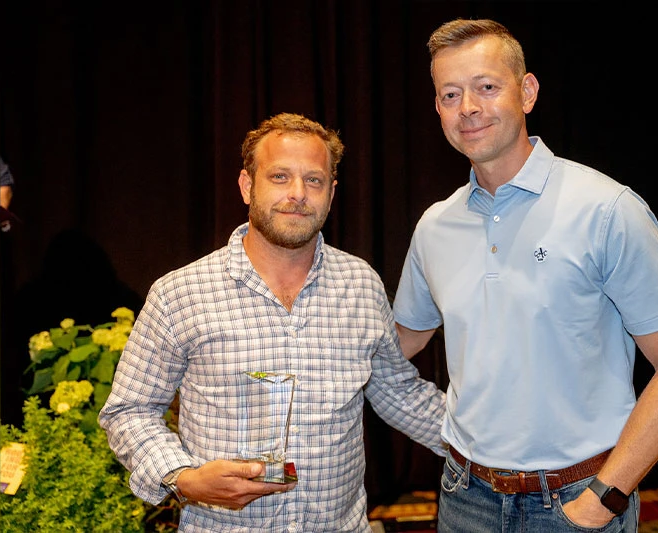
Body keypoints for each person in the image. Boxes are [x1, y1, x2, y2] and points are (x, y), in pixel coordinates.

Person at [393, 19, 658, 533]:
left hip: (577, 500)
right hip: (464, 498)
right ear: (438, 108)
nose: (467, 107)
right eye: (450, 94)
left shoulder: (606, 209)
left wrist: (604, 498)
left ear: (528, 91)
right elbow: (400, 340)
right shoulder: (435, 226)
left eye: (486, 87)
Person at [99, 113, 447, 532]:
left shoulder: (360, 284)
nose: (298, 193)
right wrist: (184, 478)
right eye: (280, 177)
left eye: (314, 180)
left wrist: (486, 446)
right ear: (247, 186)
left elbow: (397, 392)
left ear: (332, 193)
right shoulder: (180, 294)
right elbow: (129, 410)